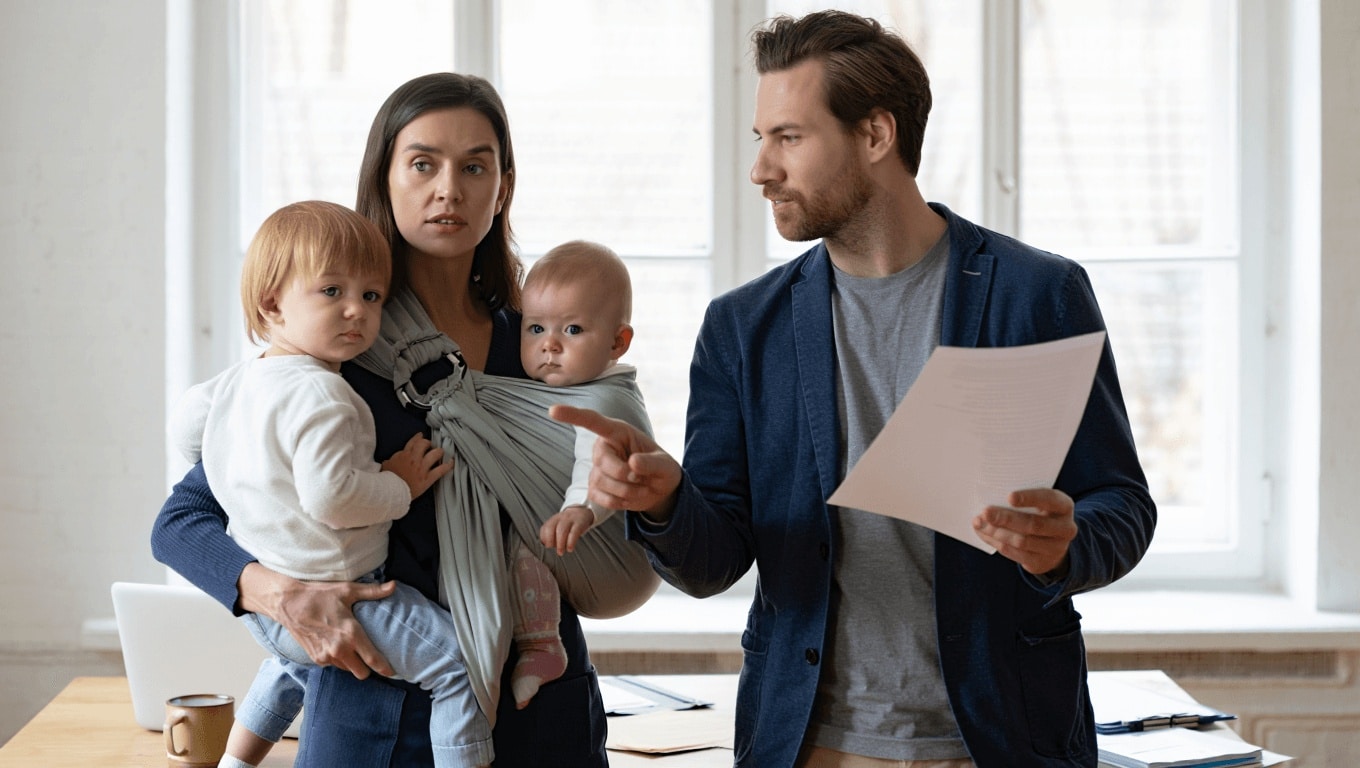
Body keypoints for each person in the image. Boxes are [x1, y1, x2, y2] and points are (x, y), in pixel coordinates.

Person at [552, 10, 1156, 768]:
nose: (760, 169)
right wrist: (666, 501)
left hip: (1004, 739)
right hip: (811, 744)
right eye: (760, 138)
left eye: (788, 138)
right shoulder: (743, 328)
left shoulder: (1037, 295)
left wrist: (1066, 544)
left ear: (875, 135)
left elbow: (1122, 505)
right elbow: (713, 564)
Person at [151, 73, 650, 767]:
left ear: (502, 187)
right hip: (371, 713)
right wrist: (279, 595)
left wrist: (649, 493)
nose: (449, 189)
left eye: (474, 167)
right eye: (422, 164)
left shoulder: (541, 348)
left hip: (540, 712)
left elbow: (618, 500)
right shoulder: (334, 354)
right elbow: (181, 523)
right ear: (383, 180)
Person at [168, 199, 489, 768]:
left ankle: (235, 763)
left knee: (288, 666)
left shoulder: (235, 383)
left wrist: (245, 473)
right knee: (461, 666)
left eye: (372, 296)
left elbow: (188, 428)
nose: (356, 311)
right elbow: (332, 499)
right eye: (332, 291)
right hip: (345, 595)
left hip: (273, 612)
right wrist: (400, 483)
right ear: (272, 303)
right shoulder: (324, 394)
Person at [501, 238, 652, 709]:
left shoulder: (601, 402)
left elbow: (600, 464)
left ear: (617, 343)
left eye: (572, 329)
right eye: (535, 328)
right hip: (584, 554)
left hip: (616, 557)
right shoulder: (551, 390)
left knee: (521, 541)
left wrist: (581, 510)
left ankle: (542, 646)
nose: (549, 344)